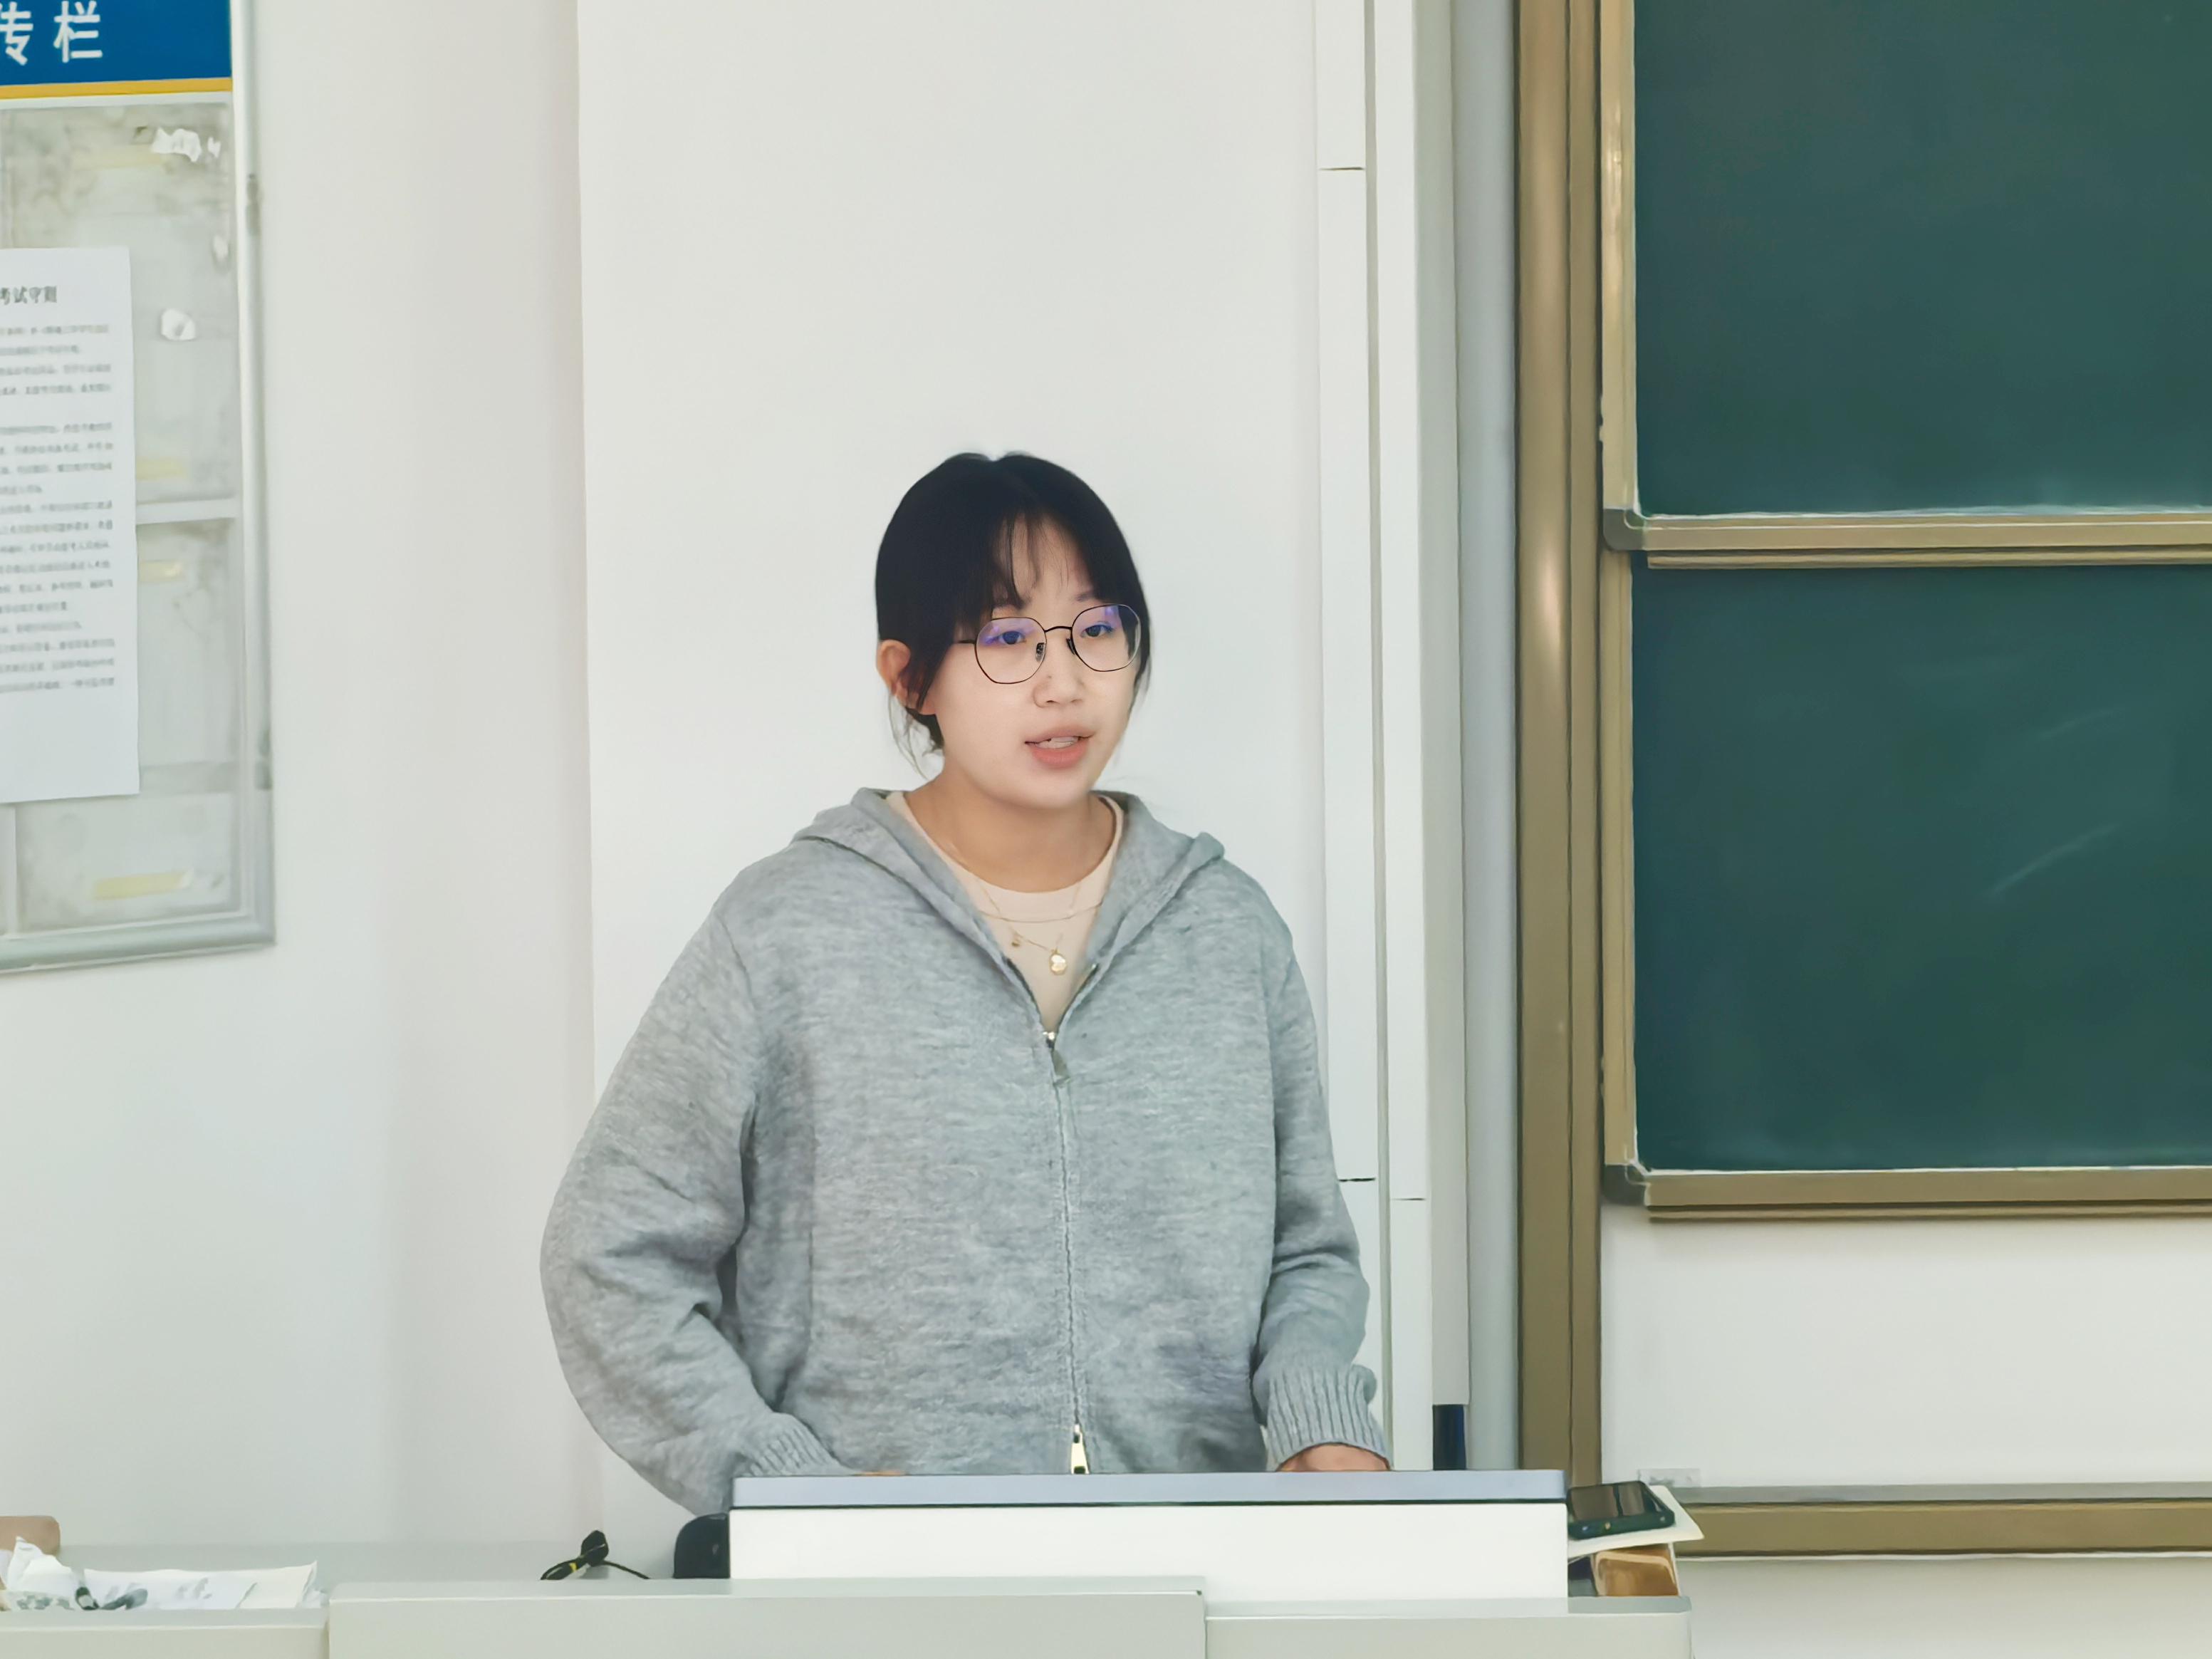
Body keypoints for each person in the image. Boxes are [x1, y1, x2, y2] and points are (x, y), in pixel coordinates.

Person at [541, 452, 1388, 1516]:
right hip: (892, 1584)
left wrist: (1319, 1418)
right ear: (909, 679)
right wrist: (791, 1489)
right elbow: (607, 1255)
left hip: (1188, 1559)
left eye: (1096, 628)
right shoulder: (787, 930)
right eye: (1006, 639)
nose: (1063, 681)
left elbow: (1305, 1247)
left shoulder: (1225, 929)